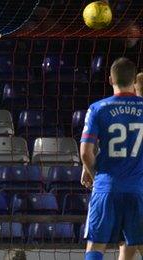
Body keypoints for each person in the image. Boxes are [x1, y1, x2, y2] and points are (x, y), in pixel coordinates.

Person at [80, 58, 143, 260]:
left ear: (109, 79)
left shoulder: (97, 108)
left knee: (96, 246)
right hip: (139, 189)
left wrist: (94, 175)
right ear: (134, 80)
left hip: (107, 188)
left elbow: (85, 153)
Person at [117, 71, 143, 260]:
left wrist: (87, 169)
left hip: (127, 184)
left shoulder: (123, 113)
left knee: (127, 244)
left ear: (135, 88)